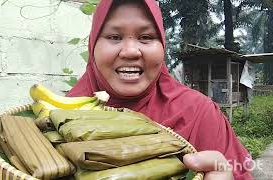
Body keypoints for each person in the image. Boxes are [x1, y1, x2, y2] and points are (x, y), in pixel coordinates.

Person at [67, 0, 253, 179]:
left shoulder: (199, 114)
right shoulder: (60, 118)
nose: (131, 51)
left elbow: (239, 172)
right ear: (92, 46)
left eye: (146, 37)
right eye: (114, 37)